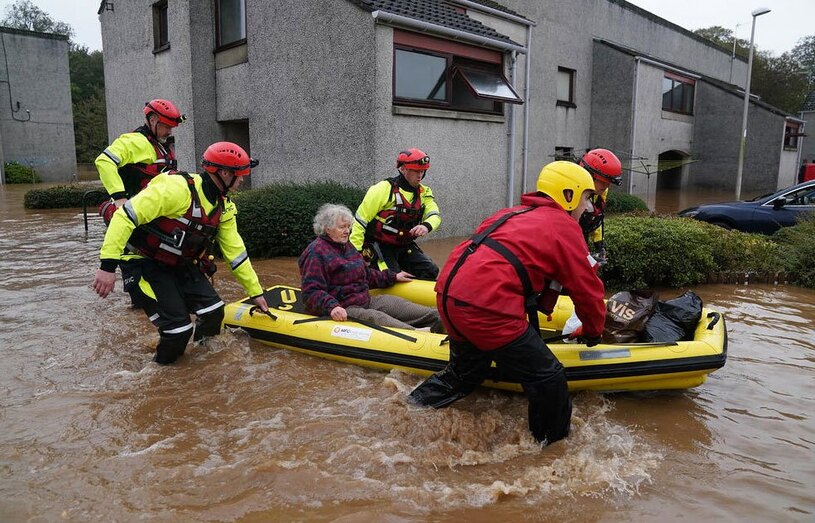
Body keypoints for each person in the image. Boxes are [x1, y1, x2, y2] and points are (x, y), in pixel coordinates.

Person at [407, 161, 607, 446]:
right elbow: (587, 290)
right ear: (568, 194)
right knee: (549, 378)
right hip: (487, 309)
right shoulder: (563, 227)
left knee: (463, 375)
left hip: (449, 296)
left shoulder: (511, 213)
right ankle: (551, 449)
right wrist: (593, 330)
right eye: (587, 198)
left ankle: (408, 407)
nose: (588, 208)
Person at [92, 141, 269, 365]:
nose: (243, 180)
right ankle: (161, 374)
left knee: (214, 312)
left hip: (179, 263)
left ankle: (203, 364)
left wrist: (256, 292)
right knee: (178, 330)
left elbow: (236, 253)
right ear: (224, 173)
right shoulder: (177, 189)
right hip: (144, 262)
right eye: (240, 174)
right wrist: (107, 267)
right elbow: (124, 217)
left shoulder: (224, 206)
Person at [300, 203, 441, 331]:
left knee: (399, 305)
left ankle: (440, 321)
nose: (347, 231)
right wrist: (332, 306)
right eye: (342, 227)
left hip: (366, 300)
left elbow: (365, 274)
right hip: (344, 307)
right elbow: (311, 291)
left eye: (348, 227)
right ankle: (418, 334)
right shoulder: (316, 252)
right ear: (327, 229)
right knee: (376, 318)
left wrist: (392, 276)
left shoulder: (347, 246)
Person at [350, 148, 441, 280]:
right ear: (403, 169)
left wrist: (426, 226)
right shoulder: (382, 189)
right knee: (391, 276)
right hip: (379, 246)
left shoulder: (424, 192)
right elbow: (359, 222)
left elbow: (435, 215)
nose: (420, 175)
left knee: (430, 271)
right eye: (416, 170)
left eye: (423, 171)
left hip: (403, 246)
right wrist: (356, 254)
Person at [96, 99, 185, 216]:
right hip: (134, 212)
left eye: (171, 128)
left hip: (155, 209)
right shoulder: (135, 141)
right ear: (152, 121)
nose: (170, 132)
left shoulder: (160, 144)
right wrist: (119, 198)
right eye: (167, 127)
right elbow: (104, 161)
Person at [576, 148, 623, 264]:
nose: (607, 186)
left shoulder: (600, 193)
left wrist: (599, 245)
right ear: (589, 175)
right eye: (604, 181)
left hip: (581, 244)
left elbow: (597, 215)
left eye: (609, 182)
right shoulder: (571, 195)